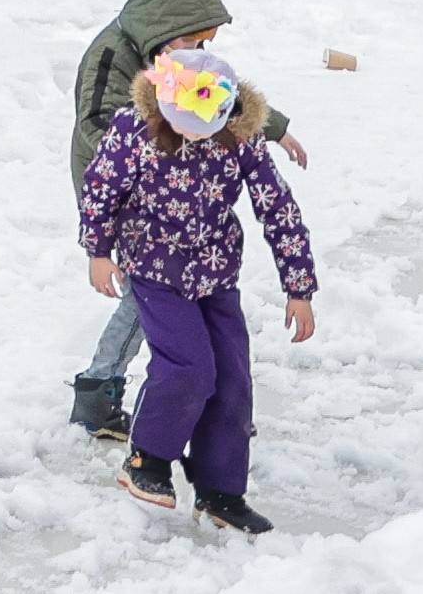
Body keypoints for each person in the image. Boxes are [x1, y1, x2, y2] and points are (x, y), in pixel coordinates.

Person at [58, 0, 303, 444]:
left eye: (205, 43)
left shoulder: (175, 56)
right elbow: (96, 128)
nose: (200, 53)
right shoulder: (112, 56)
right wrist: (159, 146)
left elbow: (218, 99)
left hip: (171, 189)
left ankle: (205, 405)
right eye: (192, 42)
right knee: (148, 291)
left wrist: (273, 128)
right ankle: (104, 390)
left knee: (161, 292)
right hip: (118, 188)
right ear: (163, 28)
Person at [77, 44, 317, 537]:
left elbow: (278, 208)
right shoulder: (134, 130)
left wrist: (299, 286)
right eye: (184, 126)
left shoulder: (240, 136)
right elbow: (100, 189)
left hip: (216, 269)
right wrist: (98, 251)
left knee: (231, 377)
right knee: (189, 367)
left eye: (204, 130)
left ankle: (220, 491)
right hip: (153, 264)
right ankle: (147, 457)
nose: (193, 138)